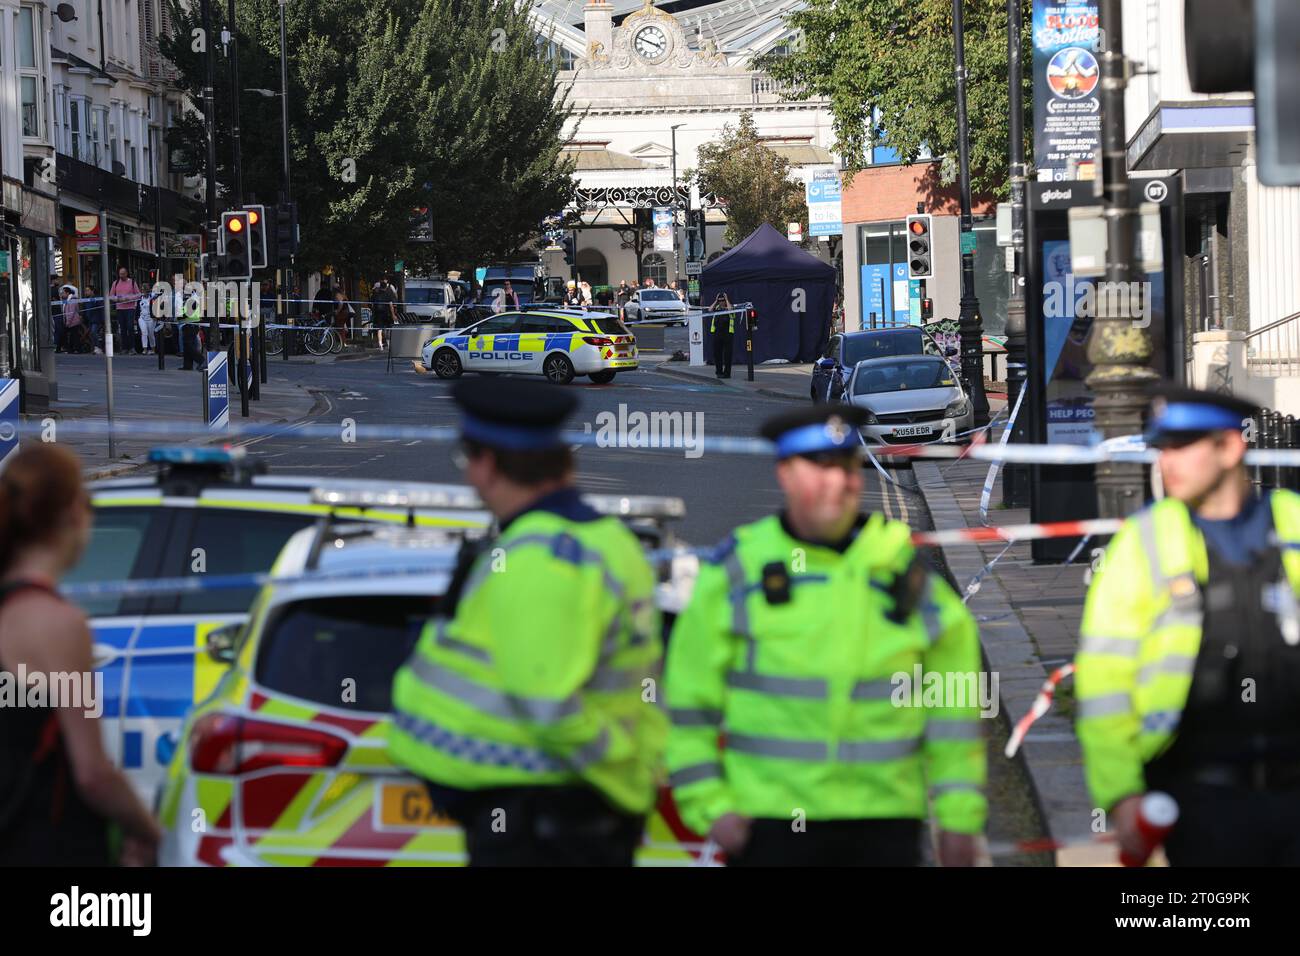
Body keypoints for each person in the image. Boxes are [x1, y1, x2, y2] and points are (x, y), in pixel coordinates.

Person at [665, 404, 985, 866]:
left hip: (885, 827)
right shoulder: (737, 572)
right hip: (769, 827)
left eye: (848, 466)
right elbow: (688, 704)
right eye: (820, 468)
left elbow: (953, 713)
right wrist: (711, 810)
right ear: (785, 474)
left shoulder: (904, 574)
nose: (838, 482)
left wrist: (959, 819)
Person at [389, 377, 668, 866]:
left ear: (489, 464)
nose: (470, 479)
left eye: (468, 462)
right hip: (571, 819)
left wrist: (611, 767)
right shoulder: (609, 541)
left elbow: (549, 702)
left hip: (545, 825)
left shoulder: (538, 556)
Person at [1075, 385, 1300, 866]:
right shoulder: (1143, 541)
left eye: (1183, 446)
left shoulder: (1293, 522)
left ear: (1231, 447)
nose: (1167, 462)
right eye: (1162, 449)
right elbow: (1103, 680)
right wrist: (1120, 793)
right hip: (1198, 796)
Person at [0, 444, 164, 866]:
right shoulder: (59, 625)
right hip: (43, 844)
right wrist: (150, 833)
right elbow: (93, 774)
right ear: (74, 512)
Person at [109, 267, 142, 355]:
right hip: (120, 308)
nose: (121, 276)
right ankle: (124, 348)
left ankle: (132, 347)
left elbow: (138, 294)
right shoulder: (115, 283)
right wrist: (118, 299)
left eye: (123, 274)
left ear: (126, 273)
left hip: (130, 308)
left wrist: (129, 298)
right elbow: (111, 296)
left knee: (130, 327)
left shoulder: (132, 282)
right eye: (120, 274)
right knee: (123, 328)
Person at [709, 291, 735, 378]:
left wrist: (727, 299)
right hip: (717, 333)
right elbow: (710, 309)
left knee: (727, 355)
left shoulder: (730, 307)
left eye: (722, 300)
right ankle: (719, 372)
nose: (721, 302)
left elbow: (731, 310)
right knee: (717, 354)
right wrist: (715, 301)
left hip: (727, 334)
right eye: (720, 301)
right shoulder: (717, 307)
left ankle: (727, 373)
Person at [369, 276, 397, 351]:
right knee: (388, 329)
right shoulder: (388, 294)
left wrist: (373, 312)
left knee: (379, 329)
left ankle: (380, 345)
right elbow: (391, 305)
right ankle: (388, 344)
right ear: (386, 287)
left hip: (378, 314)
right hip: (387, 313)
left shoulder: (375, 294)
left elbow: (372, 304)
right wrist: (393, 314)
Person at [82, 283, 104, 355]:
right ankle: (95, 347)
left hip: (96, 320)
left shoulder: (97, 299)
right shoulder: (86, 300)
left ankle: (99, 347)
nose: (86, 292)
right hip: (90, 320)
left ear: (92, 291)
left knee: (94, 332)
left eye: (88, 290)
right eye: (85, 291)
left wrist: (103, 320)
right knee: (91, 334)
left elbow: (101, 309)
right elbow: (85, 310)